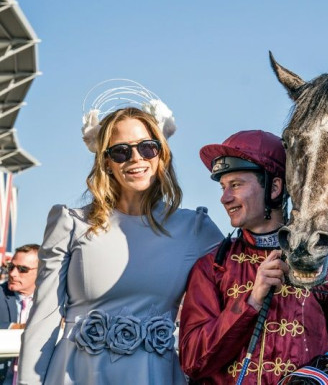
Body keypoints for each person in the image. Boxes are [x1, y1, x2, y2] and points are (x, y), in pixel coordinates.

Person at [18, 86, 223, 385]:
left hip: (157, 376)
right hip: (76, 376)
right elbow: (44, 319)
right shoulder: (70, 223)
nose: (135, 158)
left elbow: (240, 285)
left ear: (161, 153)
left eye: (147, 147)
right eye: (121, 151)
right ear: (106, 162)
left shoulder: (196, 229)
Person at [179, 130, 328, 385]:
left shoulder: (322, 265)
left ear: (275, 187)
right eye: (223, 187)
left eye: (236, 185)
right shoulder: (212, 267)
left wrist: (319, 379)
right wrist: (251, 301)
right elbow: (192, 361)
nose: (224, 198)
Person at [1, 244, 40, 384]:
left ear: (41, 271)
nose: (12, 273)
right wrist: (15, 327)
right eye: (11, 267)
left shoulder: (56, 302)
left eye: (22, 269)